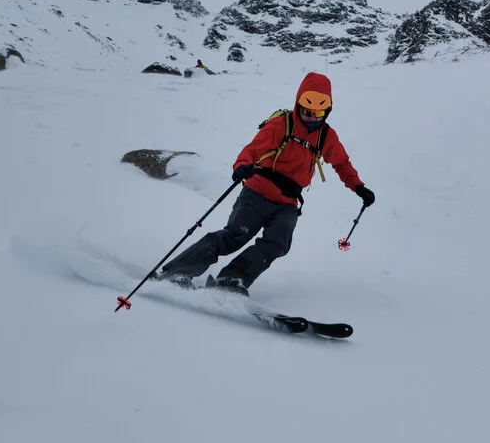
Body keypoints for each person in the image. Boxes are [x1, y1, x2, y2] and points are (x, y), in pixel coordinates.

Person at [155, 71, 375, 293]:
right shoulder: (282, 125)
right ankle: (177, 271)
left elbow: (342, 164)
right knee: (234, 236)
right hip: (257, 193)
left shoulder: (326, 137)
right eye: (307, 110)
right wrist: (241, 165)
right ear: (298, 104)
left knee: (278, 243)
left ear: (327, 111)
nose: (311, 117)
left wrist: (359, 187)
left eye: (318, 112)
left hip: (287, 204)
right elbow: (252, 149)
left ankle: (232, 279)